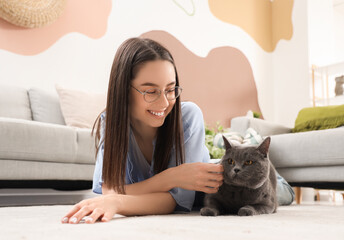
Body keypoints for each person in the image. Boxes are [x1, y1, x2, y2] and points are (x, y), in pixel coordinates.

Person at [62, 38, 294, 224]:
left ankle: (268, 167)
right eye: (150, 91)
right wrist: (173, 177)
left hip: (234, 182)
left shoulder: (188, 115)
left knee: (278, 194)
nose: (164, 103)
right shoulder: (110, 123)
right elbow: (111, 191)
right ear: (124, 90)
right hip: (217, 182)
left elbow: (175, 202)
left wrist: (120, 202)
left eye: (171, 90)